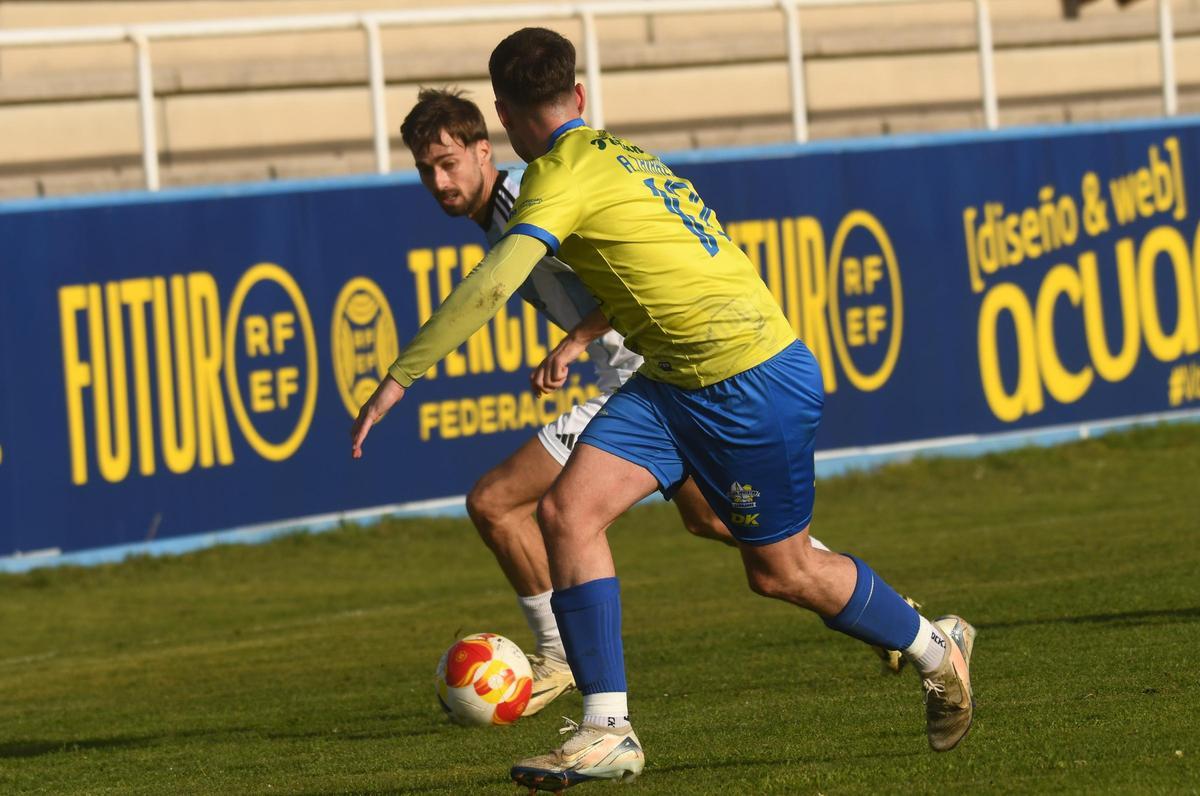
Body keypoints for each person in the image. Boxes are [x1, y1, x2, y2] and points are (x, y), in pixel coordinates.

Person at [355, 30, 972, 791]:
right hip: (674, 378)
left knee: (779, 571)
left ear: (502, 121)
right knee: (567, 516)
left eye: (449, 160)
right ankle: (606, 729)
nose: (441, 179)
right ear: (578, 98)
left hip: (747, 378)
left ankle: (932, 645)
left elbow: (487, 287)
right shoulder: (618, 153)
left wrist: (398, 378)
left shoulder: (548, 183)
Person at [397, 88, 856, 716]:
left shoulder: (526, 201)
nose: (439, 180)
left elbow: (624, 278)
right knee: (718, 523)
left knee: (497, 503)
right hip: (649, 377)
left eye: (449, 162)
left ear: (485, 149)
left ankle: (561, 660)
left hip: (646, 376)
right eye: (426, 169)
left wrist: (573, 341)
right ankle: (885, 610)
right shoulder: (500, 216)